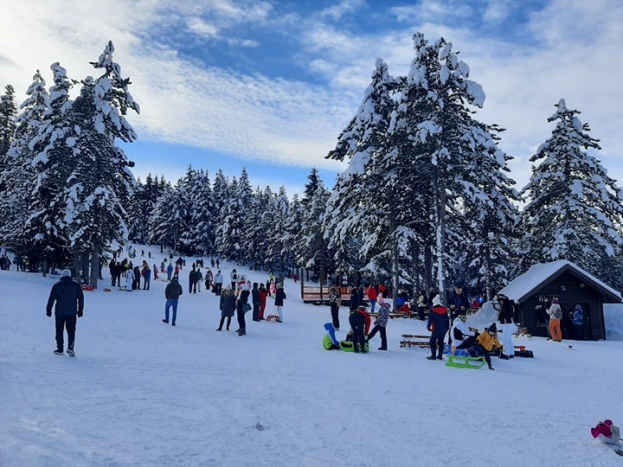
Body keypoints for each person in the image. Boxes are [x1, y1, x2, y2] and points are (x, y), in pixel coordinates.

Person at [46, 269, 84, 356]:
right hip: (72, 312)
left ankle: (60, 349)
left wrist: (48, 310)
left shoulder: (56, 285)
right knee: (71, 330)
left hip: (59, 312)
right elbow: (81, 298)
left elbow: (51, 299)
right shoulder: (76, 285)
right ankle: (70, 347)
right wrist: (80, 310)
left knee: (59, 330)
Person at [426, 295, 449, 361]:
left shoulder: (433, 310)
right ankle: (439, 356)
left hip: (436, 329)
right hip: (443, 329)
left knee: (432, 341)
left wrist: (428, 326)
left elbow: (430, 319)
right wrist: (447, 327)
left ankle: (433, 356)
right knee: (441, 341)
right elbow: (447, 319)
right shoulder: (444, 310)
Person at [496, 294, 515, 358]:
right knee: (508, 339)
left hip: (508, 324)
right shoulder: (505, 306)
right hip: (506, 324)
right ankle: (511, 353)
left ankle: (505, 353)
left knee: (505, 339)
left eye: (501, 300)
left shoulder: (508, 306)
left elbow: (508, 315)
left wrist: (501, 317)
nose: (500, 302)